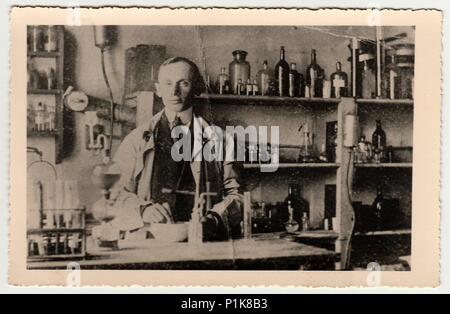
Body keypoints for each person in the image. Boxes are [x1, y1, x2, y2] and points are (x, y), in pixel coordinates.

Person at [92, 57, 243, 242]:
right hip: (148, 241)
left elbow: (236, 196)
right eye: (168, 83)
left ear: (196, 88)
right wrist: (143, 210)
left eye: (184, 83)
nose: (174, 91)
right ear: (158, 89)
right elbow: (113, 195)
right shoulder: (137, 139)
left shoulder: (220, 139)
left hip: (203, 241)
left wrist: (215, 218)